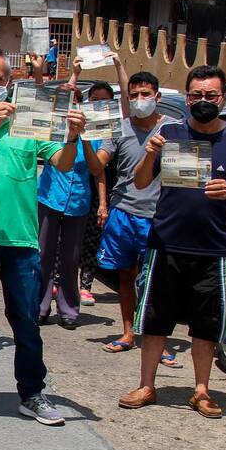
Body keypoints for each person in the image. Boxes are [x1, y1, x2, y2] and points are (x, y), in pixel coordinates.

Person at [0, 48, 86, 428]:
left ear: (10, 82)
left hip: (20, 240)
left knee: (25, 321)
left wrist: (71, 137)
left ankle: (32, 393)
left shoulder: (30, 118)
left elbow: (63, 162)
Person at [119, 65, 226, 418]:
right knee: (154, 319)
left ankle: (201, 390)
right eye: (196, 95)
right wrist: (150, 153)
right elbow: (138, 182)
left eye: (210, 95)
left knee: (207, 324)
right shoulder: (168, 131)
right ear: (186, 97)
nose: (203, 101)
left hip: (213, 249)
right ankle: (147, 385)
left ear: (223, 97)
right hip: (165, 243)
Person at [95, 70, 179, 367]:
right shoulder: (119, 128)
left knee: (157, 282)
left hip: (159, 216)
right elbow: (100, 164)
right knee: (126, 276)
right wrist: (80, 139)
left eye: (146, 94)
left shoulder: (175, 129)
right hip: (124, 211)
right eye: (134, 95)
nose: (140, 100)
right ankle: (128, 333)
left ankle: (159, 341)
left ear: (157, 97)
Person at [36, 118, 104, 330]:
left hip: (78, 201)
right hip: (50, 197)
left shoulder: (96, 137)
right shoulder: (54, 128)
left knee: (71, 258)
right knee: (43, 254)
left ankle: (68, 310)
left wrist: (103, 203)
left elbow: (98, 170)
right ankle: (39, 307)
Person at [75, 78, 115, 308]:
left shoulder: (107, 131)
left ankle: (85, 286)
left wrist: (102, 203)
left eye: (104, 101)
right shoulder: (74, 123)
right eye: (95, 99)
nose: (98, 104)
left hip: (93, 191)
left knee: (91, 242)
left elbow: (99, 171)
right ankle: (62, 285)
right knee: (67, 245)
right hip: (70, 192)